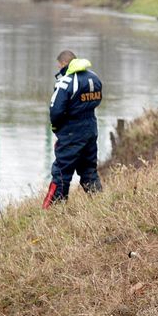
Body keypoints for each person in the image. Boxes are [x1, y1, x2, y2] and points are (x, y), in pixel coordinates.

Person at [43, 50, 104, 208]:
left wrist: (57, 128)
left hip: (72, 133)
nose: (58, 69)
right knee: (89, 170)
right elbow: (98, 100)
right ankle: (101, 204)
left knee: (61, 172)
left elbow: (55, 110)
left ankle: (54, 210)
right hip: (91, 128)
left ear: (64, 64)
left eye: (59, 66)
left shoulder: (66, 81)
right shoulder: (94, 77)